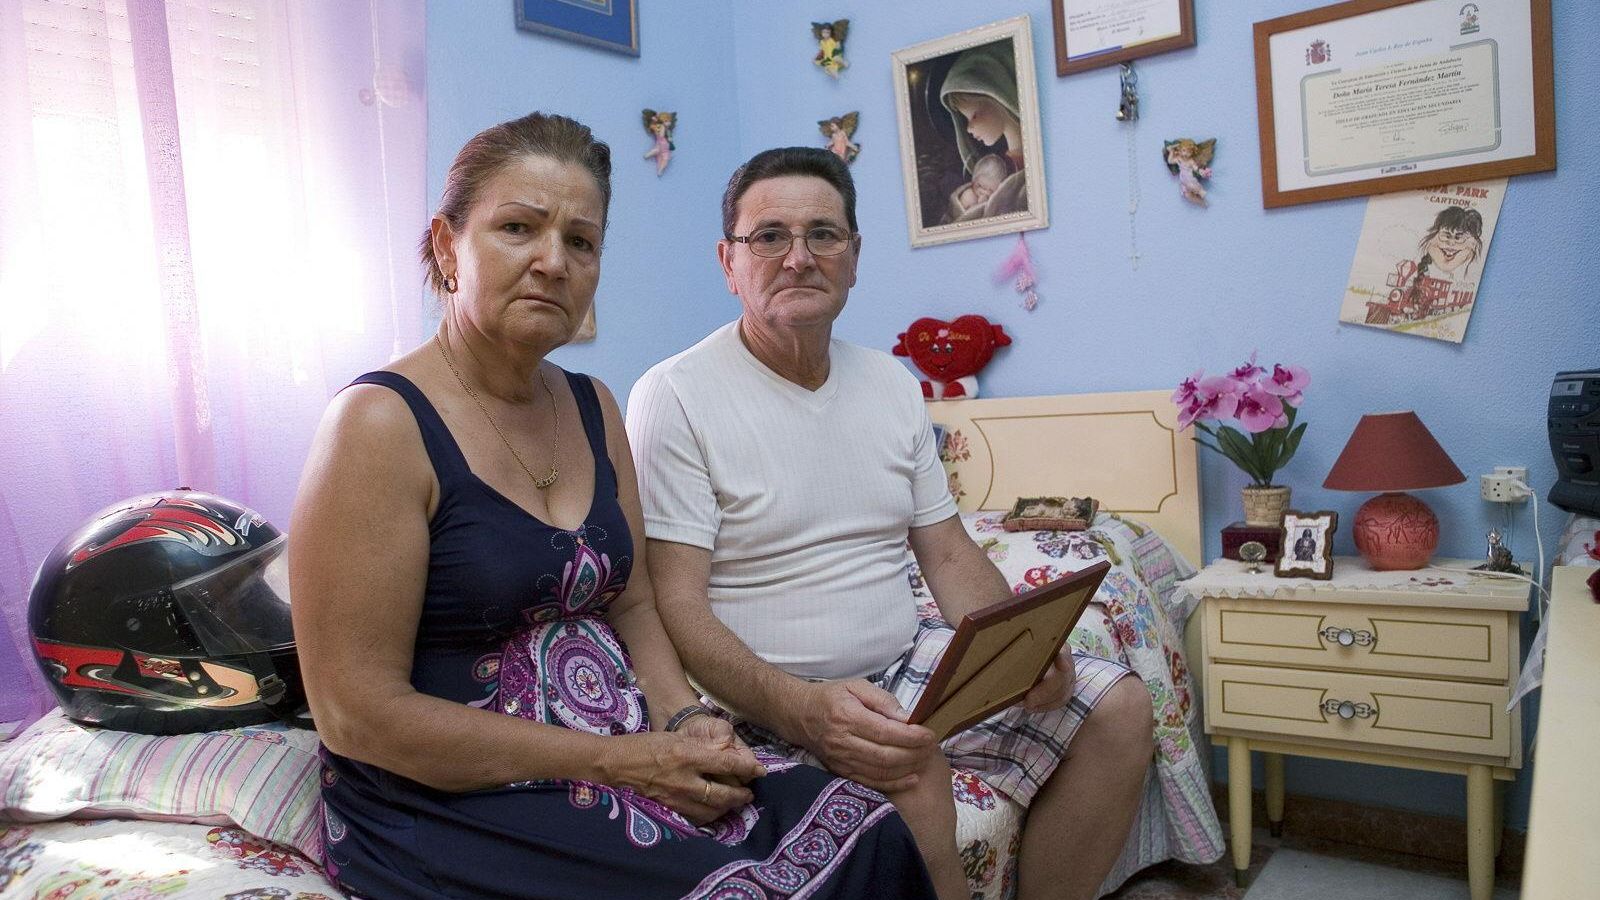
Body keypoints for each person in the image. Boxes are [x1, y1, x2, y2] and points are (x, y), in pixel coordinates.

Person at [289, 114, 935, 900]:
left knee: (868, 834)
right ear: (447, 244)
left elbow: (634, 602)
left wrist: (682, 722)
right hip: (457, 794)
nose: (553, 262)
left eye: (582, 242)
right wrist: (622, 762)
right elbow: (356, 715)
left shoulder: (594, 405)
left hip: (618, 747)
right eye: (518, 227)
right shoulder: (379, 424)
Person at [628, 147, 1157, 900]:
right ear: (728, 261)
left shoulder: (891, 384)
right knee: (908, 766)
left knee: (1119, 707)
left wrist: (1018, 646)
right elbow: (674, 602)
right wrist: (802, 709)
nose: (799, 257)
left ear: (854, 256)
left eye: (824, 234)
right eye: (769, 236)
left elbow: (945, 549)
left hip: (901, 665)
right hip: (762, 694)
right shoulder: (675, 395)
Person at [939, 42, 1028, 223]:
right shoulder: (1000, 167)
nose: (969, 129)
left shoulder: (1026, 170)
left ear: (998, 97)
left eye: (973, 116)